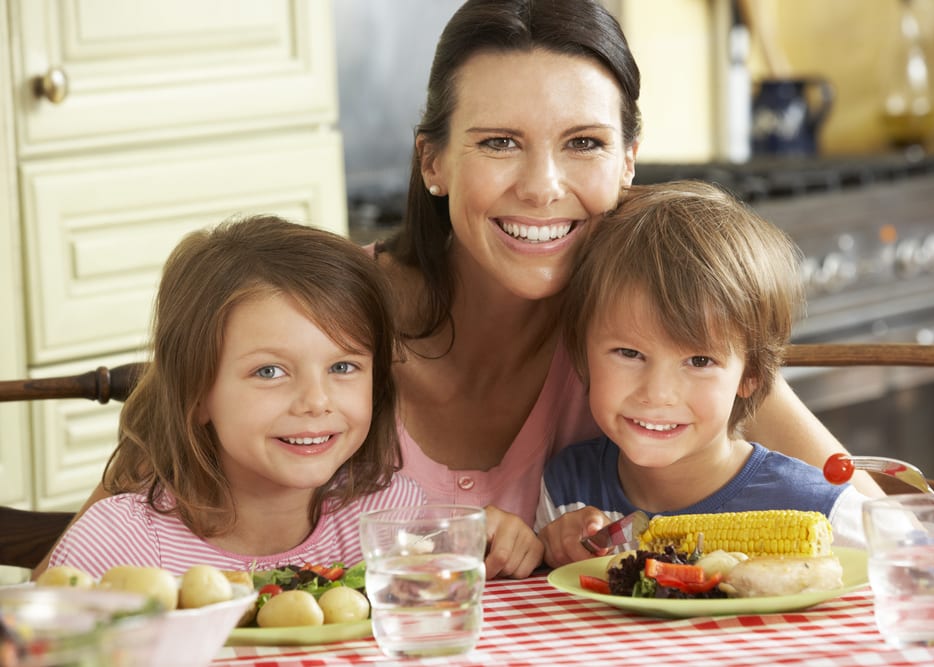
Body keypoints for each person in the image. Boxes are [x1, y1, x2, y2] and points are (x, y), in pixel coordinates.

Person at [45, 0, 883, 581]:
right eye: (499, 142)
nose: (543, 185)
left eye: (584, 142)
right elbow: (90, 566)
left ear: (629, 160)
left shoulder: (651, 333)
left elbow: (858, 503)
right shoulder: (311, 323)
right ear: (433, 162)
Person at [47, 216, 425, 577]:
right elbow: (42, 640)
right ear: (196, 394)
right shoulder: (118, 546)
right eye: (269, 371)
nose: (316, 401)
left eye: (342, 367)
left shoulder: (396, 520)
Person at [534, 182, 867, 567]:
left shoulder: (817, 508)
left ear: (752, 374)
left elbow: (928, 573)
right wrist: (551, 548)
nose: (657, 394)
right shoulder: (566, 490)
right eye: (629, 353)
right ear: (582, 354)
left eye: (699, 362)